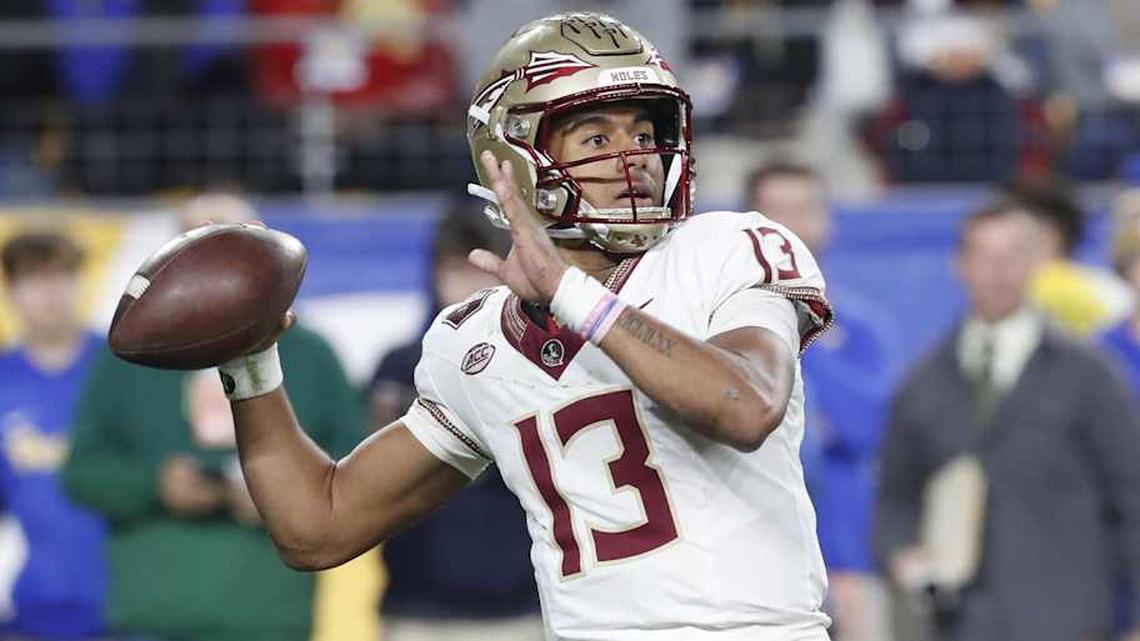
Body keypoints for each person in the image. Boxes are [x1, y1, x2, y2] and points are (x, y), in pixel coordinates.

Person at [222, 12, 834, 641]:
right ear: (512, 161)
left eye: (646, 133)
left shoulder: (726, 247)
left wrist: (575, 296)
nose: (638, 158)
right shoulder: (475, 342)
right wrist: (249, 366)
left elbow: (745, 405)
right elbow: (318, 526)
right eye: (596, 139)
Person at [62, 194, 365, 641]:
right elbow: (81, 472)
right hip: (151, 616)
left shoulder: (312, 354)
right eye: (191, 241)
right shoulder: (127, 356)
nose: (207, 258)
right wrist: (155, 485)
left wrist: (283, 496)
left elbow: (357, 471)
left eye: (224, 239)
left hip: (267, 618)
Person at [874, 202, 1140, 641]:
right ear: (958, 265)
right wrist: (901, 553)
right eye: (984, 256)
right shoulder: (922, 384)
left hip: (1072, 619)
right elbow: (894, 497)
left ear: (1037, 264)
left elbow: (1131, 496)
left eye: (1013, 255)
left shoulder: (1091, 376)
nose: (999, 271)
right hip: (962, 622)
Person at [369, 208, 541, 641]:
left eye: (480, 270)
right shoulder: (401, 365)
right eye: (454, 269)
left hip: (523, 605)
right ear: (433, 273)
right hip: (420, 606)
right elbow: (381, 477)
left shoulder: (541, 364)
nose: (468, 285)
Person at [747, 162, 898, 641]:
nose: (791, 228)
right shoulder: (716, 327)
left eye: (803, 210)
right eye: (775, 213)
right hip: (749, 562)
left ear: (826, 221)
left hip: (848, 560)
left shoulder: (862, 327)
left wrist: (803, 321)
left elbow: (866, 429)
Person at [0, 229, 105, 640]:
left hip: (131, 609)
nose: (49, 292)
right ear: (10, 291)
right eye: (32, 279)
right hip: (34, 609)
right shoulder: (4, 380)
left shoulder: (122, 372)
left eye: (61, 276)